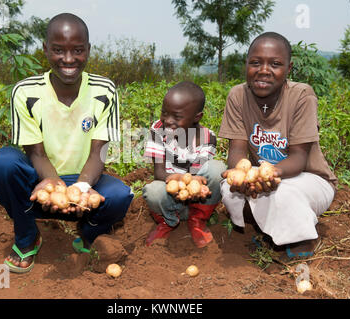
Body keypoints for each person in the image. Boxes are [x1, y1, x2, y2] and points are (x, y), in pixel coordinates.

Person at [0, 13, 134, 273]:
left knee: (120, 196)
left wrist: (81, 187)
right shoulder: (26, 92)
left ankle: (87, 234)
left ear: (88, 50)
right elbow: (36, 153)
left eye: (77, 50)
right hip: (40, 179)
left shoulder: (104, 91)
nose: (68, 59)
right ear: (45, 50)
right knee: (4, 163)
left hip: (84, 177)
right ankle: (27, 235)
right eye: (58, 50)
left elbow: (97, 153)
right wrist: (54, 185)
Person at [219, 32, 337, 258]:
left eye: (275, 64)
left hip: (308, 179)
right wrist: (240, 175)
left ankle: (303, 239)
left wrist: (270, 175)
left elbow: (299, 158)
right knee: (228, 187)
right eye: (255, 62)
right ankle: (268, 229)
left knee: (282, 192)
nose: (264, 70)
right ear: (246, 65)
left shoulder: (302, 96)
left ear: (289, 68)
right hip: (264, 177)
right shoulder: (237, 95)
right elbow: (237, 150)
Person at [142, 81, 226, 248]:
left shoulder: (208, 138)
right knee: (152, 191)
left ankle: (198, 220)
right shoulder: (158, 130)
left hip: (197, 200)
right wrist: (179, 178)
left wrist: (195, 185)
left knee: (218, 169)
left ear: (197, 117)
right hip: (170, 198)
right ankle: (168, 221)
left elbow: (197, 176)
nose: (167, 120)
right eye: (164, 113)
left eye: (177, 116)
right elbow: (159, 173)